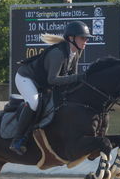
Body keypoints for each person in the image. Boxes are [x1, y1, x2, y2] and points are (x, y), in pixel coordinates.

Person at [10, 21, 93, 155]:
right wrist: (79, 78)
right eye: (83, 38)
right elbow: (52, 79)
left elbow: (72, 77)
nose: (86, 41)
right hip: (26, 78)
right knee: (34, 102)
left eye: (86, 38)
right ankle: (17, 140)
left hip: (43, 82)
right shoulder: (58, 53)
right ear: (71, 38)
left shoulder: (76, 52)